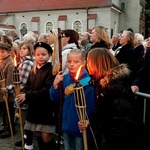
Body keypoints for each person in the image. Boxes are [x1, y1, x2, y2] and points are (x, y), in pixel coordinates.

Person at [78, 48, 136, 150]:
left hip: (120, 138)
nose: (87, 65)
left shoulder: (116, 86)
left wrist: (110, 144)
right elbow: (102, 107)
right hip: (109, 131)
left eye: (89, 61)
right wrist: (89, 120)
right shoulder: (100, 81)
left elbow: (122, 119)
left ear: (98, 63)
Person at [50, 49, 96, 150]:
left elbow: (91, 106)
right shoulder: (65, 78)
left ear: (83, 63)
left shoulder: (88, 81)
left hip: (79, 126)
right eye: (69, 61)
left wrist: (86, 121)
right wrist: (55, 85)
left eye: (76, 62)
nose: (71, 64)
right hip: (66, 123)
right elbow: (56, 100)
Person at [16, 42, 57, 150]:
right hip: (35, 108)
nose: (40, 57)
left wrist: (28, 96)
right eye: (38, 54)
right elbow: (29, 85)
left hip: (46, 109)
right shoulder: (34, 70)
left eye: (43, 54)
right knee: (38, 134)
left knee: (46, 136)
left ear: (49, 55)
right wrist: (24, 93)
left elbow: (46, 90)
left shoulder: (51, 70)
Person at [0, 43, 16, 138]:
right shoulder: (2, 61)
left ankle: (10, 129)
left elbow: (10, 79)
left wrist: (6, 90)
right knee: (4, 111)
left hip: (6, 92)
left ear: (9, 52)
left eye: (3, 52)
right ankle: (6, 127)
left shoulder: (10, 64)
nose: (1, 54)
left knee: (8, 111)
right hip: (1, 91)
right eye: (0, 52)